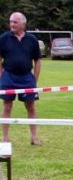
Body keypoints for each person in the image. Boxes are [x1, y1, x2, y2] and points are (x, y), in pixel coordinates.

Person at [0, 11, 42, 145]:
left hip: (26, 77)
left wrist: (34, 79)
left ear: (23, 24)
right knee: (7, 106)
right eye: (11, 22)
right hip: (8, 76)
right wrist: (1, 73)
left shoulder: (32, 40)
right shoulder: (4, 38)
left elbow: (38, 61)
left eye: (15, 22)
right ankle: (5, 138)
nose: (12, 24)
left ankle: (34, 137)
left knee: (31, 107)